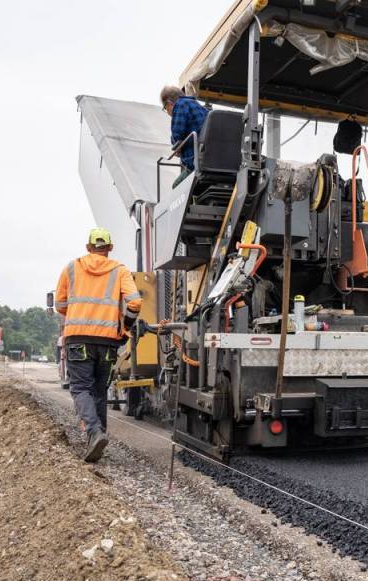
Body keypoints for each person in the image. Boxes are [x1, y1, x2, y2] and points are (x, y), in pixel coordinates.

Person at [54, 228, 142, 461]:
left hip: (77, 339)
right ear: (110, 248)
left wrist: (77, 313)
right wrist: (125, 327)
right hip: (107, 341)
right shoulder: (120, 270)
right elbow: (135, 303)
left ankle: (94, 433)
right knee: (99, 390)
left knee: (80, 388)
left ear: (88, 247)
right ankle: (98, 437)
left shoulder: (71, 268)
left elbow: (59, 305)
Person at [160, 85, 209, 187]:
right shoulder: (199, 106)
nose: (168, 113)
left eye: (165, 108)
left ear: (169, 103)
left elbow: (176, 136)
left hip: (196, 163)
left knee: (176, 186)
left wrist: (177, 147)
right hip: (209, 158)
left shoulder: (180, 105)